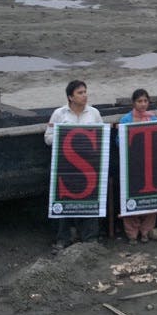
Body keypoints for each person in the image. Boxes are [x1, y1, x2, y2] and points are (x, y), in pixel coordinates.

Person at [45, 79, 103, 249]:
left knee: (91, 199)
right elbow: (47, 138)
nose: (84, 96)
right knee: (63, 199)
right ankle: (63, 238)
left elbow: (101, 137)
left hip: (89, 166)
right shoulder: (59, 114)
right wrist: (65, 136)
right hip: (66, 165)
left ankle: (90, 238)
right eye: (80, 93)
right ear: (70, 97)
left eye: (85, 92)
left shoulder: (94, 113)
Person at [118, 89, 157, 242]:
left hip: (150, 163)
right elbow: (118, 142)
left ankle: (146, 231)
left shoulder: (154, 118)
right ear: (133, 103)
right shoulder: (125, 120)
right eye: (139, 101)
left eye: (145, 101)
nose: (143, 104)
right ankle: (132, 233)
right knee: (131, 195)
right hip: (132, 164)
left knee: (151, 196)